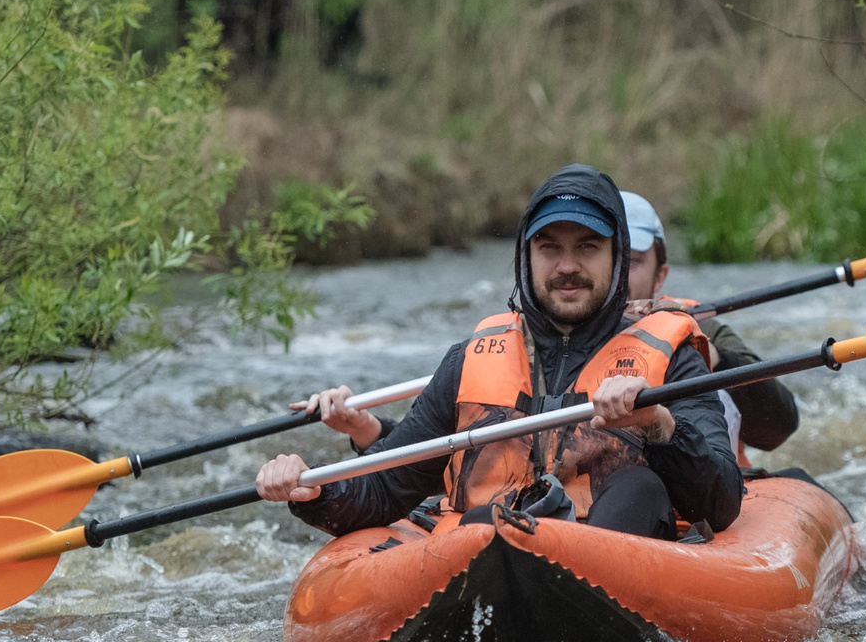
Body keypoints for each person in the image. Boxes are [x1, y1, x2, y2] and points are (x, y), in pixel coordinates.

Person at [255, 166, 745, 539]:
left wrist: (656, 421)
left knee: (641, 489)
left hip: (611, 567)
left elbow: (721, 503)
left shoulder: (671, 356)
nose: (567, 266)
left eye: (588, 247)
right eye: (549, 247)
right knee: (478, 522)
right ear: (525, 258)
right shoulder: (471, 359)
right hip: (498, 559)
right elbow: (385, 488)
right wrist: (315, 490)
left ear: (616, 258)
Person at [617, 190, 800, 457]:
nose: (617, 276)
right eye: (605, 257)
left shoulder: (700, 330)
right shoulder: (545, 337)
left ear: (660, 276)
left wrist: (717, 359)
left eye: (631, 262)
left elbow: (777, 428)